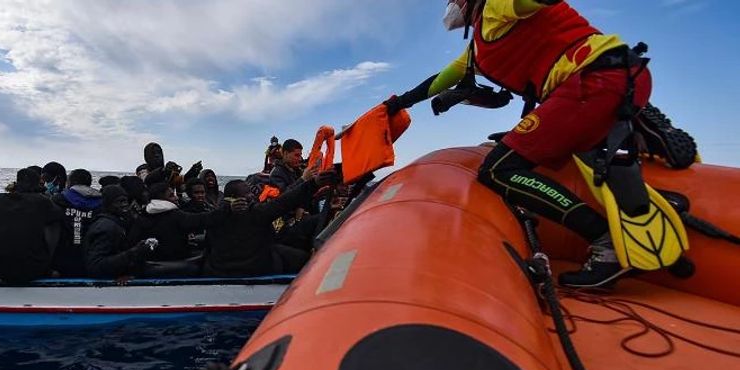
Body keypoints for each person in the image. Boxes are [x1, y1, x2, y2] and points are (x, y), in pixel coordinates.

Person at [384, 0, 688, 288]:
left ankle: (605, 241)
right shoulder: (478, 47)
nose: (451, 5)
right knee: (573, 153)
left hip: (590, 84)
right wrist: (396, 104)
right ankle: (647, 147)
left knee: (499, 169)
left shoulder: (497, 7)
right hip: (616, 76)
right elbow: (440, 81)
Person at [203, 173, 335, 277]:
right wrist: (313, 183)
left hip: (219, 269)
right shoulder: (256, 213)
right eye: (247, 193)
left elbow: (207, 243)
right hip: (256, 268)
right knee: (305, 259)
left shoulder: (213, 216)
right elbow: (286, 201)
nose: (252, 195)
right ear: (237, 197)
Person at [0, 168, 64, 283]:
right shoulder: (41, 202)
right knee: (54, 224)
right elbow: (59, 215)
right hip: (33, 269)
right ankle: (49, 263)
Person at [133, 182, 228, 261]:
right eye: (171, 195)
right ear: (161, 198)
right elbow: (202, 219)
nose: (176, 198)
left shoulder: (141, 215)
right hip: (175, 262)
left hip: (149, 262)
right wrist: (228, 209)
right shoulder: (175, 216)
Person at [83, 185, 158, 279]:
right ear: (108, 204)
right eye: (119, 202)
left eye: (126, 201)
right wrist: (134, 252)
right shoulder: (107, 227)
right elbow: (95, 266)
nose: (125, 205)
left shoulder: (117, 223)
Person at [51, 169, 102, 276]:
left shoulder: (58, 199)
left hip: (63, 256)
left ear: (70, 182)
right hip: (92, 256)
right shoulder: (102, 202)